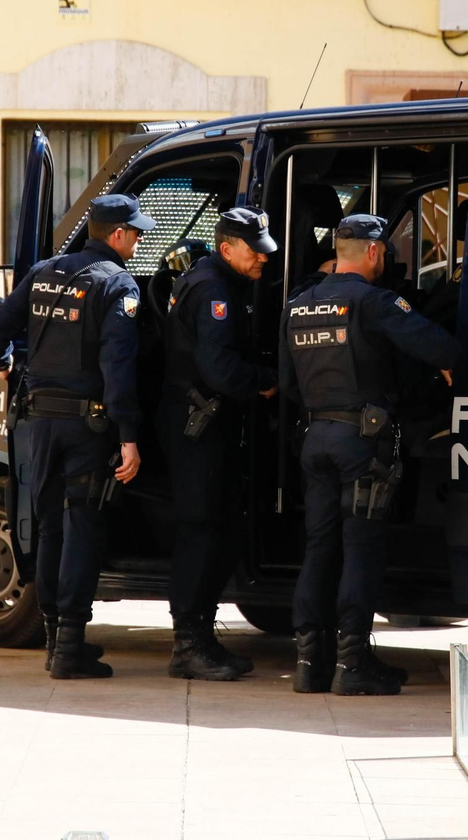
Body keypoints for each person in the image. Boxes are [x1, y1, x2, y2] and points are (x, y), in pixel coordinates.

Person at [280, 214, 459, 696]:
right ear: (375, 253)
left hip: (315, 438)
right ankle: (352, 662)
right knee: (361, 549)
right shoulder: (376, 303)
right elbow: (440, 345)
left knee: (319, 548)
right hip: (362, 442)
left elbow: (289, 384)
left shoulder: (299, 304)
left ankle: (308, 663)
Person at [0, 195, 151, 679]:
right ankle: (70, 646)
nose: (138, 241)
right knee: (84, 528)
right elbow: (117, 367)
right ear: (115, 235)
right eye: (135, 233)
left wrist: (2, 362)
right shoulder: (117, 283)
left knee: (51, 526)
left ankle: (57, 639)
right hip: (86, 427)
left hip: (40, 425)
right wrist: (129, 435)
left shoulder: (43, 272)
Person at [159, 207, 278, 681]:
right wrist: (267, 382)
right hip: (197, 426)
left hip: (206, 424)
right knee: (200, 530)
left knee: (220, 530)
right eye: (255, 252)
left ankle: (201, 639)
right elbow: (221, 372)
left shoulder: (217, 280)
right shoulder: (212, 291)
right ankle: (187, 645)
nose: (263, 260)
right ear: (227, 248)